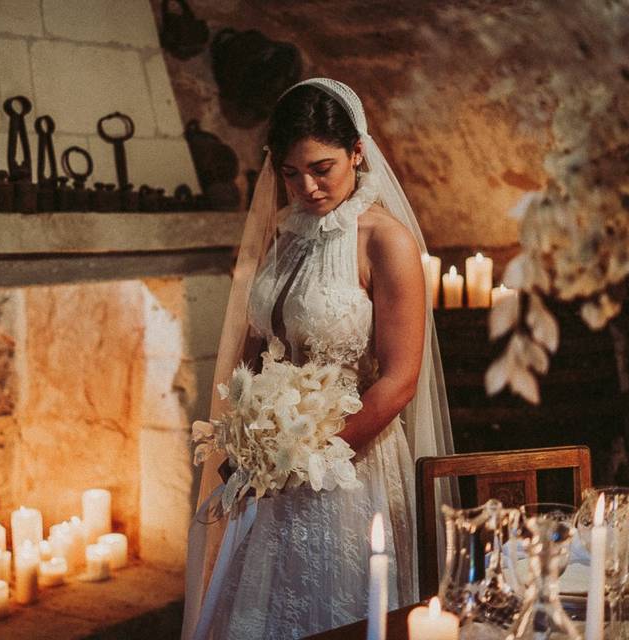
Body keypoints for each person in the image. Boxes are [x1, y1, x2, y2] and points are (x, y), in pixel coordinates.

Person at [182, 78, 455, 640]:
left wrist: (312, 458)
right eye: (290, 172)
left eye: (321, 168)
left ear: (357, 151)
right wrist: (248, 439)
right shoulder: (285, 233)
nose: (306, 186)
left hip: (350, 465)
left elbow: (400, 380)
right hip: (271, 466)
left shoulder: (386, 241)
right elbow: (258, 344)